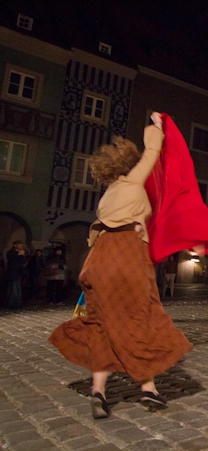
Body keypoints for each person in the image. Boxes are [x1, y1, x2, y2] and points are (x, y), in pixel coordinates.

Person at [49, 112, 191, 420]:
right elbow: (153, 153)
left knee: (101, 325)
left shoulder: (107, 196)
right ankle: (148, 390)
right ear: (129, 164)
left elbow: (98, 232)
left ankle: (98, 392)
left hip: (99, 260)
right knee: (140, 320)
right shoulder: (132, 181)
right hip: (127, 256)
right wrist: (156, 127)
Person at [6, 241, 26, 309]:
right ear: (15, 245)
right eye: (19, 245)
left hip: (18, 273)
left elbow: (23, 262)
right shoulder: (11, 253)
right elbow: (14, 263)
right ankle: (12, 303)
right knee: (13, 289)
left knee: (18, 289)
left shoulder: (20, 253)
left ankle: (18, 303)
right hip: (12, 273)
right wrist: (20, 256)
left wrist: (22, 256)